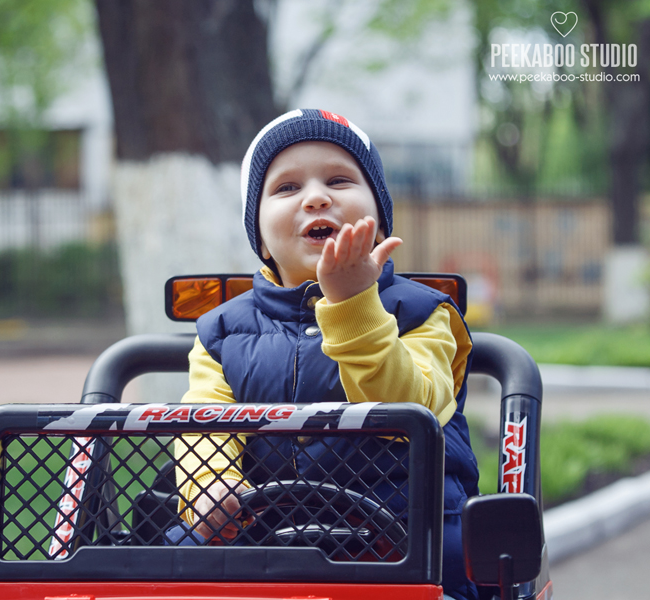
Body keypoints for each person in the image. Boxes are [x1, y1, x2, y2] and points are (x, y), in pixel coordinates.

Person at [166, 109, 480, 600]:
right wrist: (210, 484)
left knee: (462, 561)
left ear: (378, 222)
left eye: (339, 179)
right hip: (264, 535)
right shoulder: (222, 332)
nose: (316, 196)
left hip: (409, 537)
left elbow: (414, 404)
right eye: (287, 188)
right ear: (261, 238)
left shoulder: (422, 313)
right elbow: (203, 424)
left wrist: (353, 303)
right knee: (162, 561)